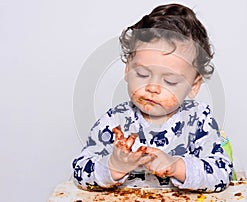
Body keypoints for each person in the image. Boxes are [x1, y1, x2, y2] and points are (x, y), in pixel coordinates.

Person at [72, 3, 234, 192]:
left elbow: (222, 174)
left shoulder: (198, 121)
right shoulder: (115, 122)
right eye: (141, 74)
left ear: (194, 86)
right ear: (127, 69)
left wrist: (177, 166)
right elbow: (79, 172)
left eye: (170, 81)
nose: (152, 88)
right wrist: (113, 166)